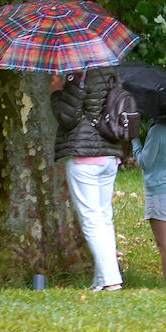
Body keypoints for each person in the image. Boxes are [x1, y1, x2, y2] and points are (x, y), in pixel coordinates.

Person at [51, 68, 123, 291]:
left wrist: (56, 92)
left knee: (91, 221)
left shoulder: (78, 75)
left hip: (85, 158)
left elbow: (67, 117)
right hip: (110, 154)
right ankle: (102, 279)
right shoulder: (112, 73)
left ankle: (111, 280)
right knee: (104, 218)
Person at [133, 116, 166, 288]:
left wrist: (135, 142)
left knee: (165, 246)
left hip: (160, 193)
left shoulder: (157, 131)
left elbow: (145, 162)